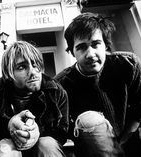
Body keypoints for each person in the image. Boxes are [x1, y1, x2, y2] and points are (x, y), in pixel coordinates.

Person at [54, 12, 141, 157]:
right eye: (81, 47)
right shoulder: (61, 85)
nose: (90, 54)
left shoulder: (127, 64)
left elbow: (139, 107)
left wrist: (123, 141)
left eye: (95, 44)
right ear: (72, 52)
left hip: (130, 140)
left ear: (106, 45)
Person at [0, 41, 69, 157]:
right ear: (9, 74)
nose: (33, 72)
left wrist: (37, 132)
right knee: (5, 148)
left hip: (42, 146)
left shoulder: (55, 91)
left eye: (35, 65)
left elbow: (62, 132)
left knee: (47, 145)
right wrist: (10, 127)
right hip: (11, 147)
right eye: (22, 67)